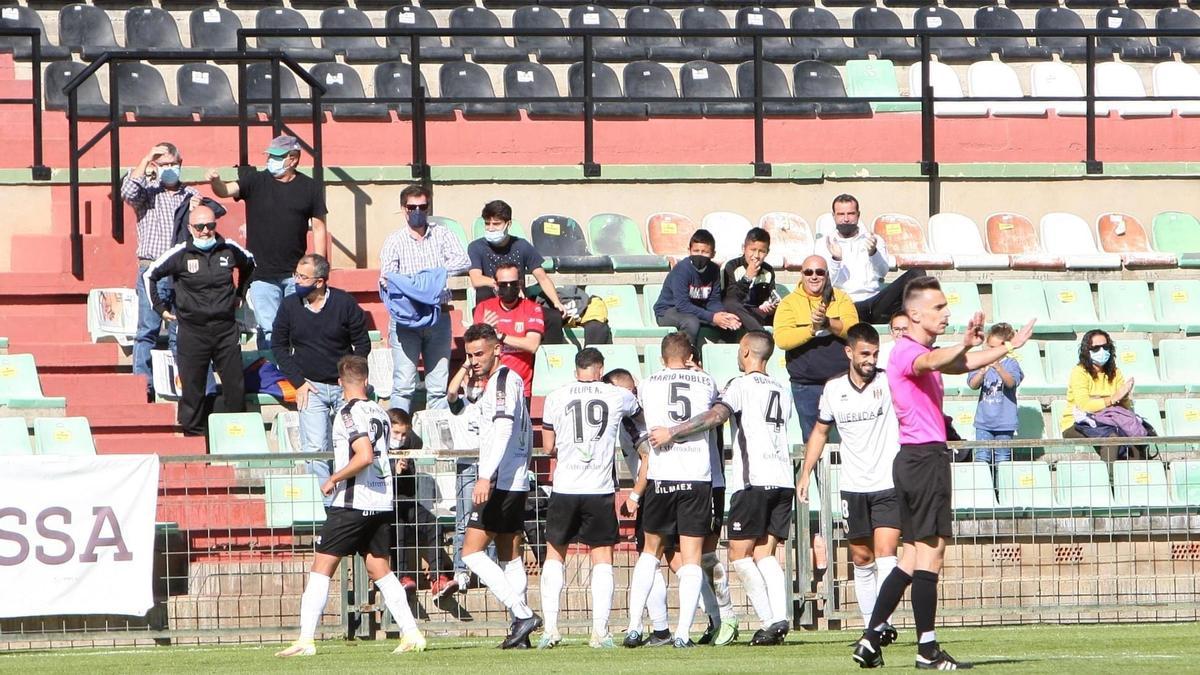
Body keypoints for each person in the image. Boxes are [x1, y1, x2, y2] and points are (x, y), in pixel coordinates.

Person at [852, 276, 1034, 670]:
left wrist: (1003, 347)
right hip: (923, 460)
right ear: (914, 313)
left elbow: (961, 363)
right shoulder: (905, 351)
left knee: (911, 556)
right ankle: (927, 649)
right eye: (938, 307)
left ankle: (870, 639)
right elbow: (934, 361)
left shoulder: (921, 350)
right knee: (931, 554)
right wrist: (969, 342)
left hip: (917, 459)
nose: (946, 313)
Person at [648, 330, 796, 647]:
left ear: (745, 352)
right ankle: (780, 619)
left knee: (740, 555)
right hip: (783, 478)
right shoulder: (783, 389)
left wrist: (673, 431)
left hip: (752, 480)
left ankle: (771, 620)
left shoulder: (739, 385)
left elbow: (716, 416)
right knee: (765, 554)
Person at [276, 355, 426, 657]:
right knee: (379, 567)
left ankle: (305, 639)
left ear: (340, 382)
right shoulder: (380, 412)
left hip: (353, 502)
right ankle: (412, 633)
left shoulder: (347, 412)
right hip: (381, 500)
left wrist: (334, 477)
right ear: (367, 381)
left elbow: (364, 455)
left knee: (321, 567)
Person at [797, 323, 901, 644]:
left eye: (875, 353)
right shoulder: (833, 390)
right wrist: (805, 474)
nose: (871, 359)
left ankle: (881, 625)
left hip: (888, 482)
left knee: (886, 555)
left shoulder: (889, 382)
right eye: (865, 354)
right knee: (861, 557)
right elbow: (820, 432)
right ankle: (872, 626)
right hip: (853, 485)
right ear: (849, 353)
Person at [538, 348, 643, 649]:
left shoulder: (556, 396)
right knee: (602, 559)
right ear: (600, 369)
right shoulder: (616, 395)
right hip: (599, 488)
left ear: (576, 371)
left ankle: (551, 629)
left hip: (565, 486)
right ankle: (600, 632)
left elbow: (547, 447)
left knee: (555, 556)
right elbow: (637, 413)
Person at [627, 332, 721, 649]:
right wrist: (697, 370)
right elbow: (714, 408)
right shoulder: (705, 382)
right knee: (691, 559)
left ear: (662, 356)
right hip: (696, 477)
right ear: (691, 355)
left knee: (650, 552)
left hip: (661, 476)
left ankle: (633, 627)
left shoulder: (647, 383)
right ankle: (682, 634)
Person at [458, 323, 542, 649]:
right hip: (514, 480)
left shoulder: (506, 379)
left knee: (471, 553)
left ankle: (521, 614)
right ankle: (520, 635)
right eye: (469, 355)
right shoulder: (496, 382)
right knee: (510, 555)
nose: (474, 360)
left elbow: (504, 429)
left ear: (497, 349)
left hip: (500, 481)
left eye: (479, 353)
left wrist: (484, 476)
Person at [208, 135, 328, 352]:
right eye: (270, 155)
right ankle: (273, 376)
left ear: (293, 159)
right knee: (270, 329)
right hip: (261, 274)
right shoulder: (255, 181)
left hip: (296, 275)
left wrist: (319, 269)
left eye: (277, 156)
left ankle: (297, 373)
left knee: (298, 327)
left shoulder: (310, 188)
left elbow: (319, 227)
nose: (271, 160)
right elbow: (225, 190)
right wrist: (215, 181)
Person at [143, 205, 254, 436]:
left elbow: (250, 265)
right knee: (193, 388)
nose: (205, 231)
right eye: (200, 227)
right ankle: (194, 437)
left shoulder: (229, 249)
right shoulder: (180, 253)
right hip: (193, 331)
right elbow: (149, 275)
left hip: (225, 329)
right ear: (190, 228)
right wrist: (160, 308)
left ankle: (237, 436)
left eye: (210, 226)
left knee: (235, 386)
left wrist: (240, 293)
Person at [123, 142, 208, 399]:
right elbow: (127, 191)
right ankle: (142, 386)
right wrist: (147, 155)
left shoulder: (190, 194)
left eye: (174, 164)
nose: (170, 169)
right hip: (152, 270)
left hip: (182, 273)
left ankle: (180, 386)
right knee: (147, 330)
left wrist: (198, 210)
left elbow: (208, 226)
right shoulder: (147, 193)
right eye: (164, 164)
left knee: (180, 332)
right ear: (154, 167)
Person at [379, 185, 471, 413]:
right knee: (403, 385)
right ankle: (398, 438)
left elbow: (463, 261)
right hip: (406, 318)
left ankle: (437, 437)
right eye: (412, 207)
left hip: (438, 314)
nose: (417, 211)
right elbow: (388, 277)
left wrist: (425, 279)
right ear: (403, 209)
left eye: (422, 206)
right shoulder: (394, 241)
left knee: (438, 387)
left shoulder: (442, 233)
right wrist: (428, 281)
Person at [271, 254, 370, 457]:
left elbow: (362, 343)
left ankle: (345, 488)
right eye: (296, 275)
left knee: (350, 448)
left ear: (319, 282)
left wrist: (350, 379)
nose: (296, 281)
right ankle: (322, 489)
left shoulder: (345, 303)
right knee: (315, 449)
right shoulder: (289, 305)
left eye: (302, 277)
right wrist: (298, 382)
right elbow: (278, 346)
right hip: (310, 388)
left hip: (344, 388)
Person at [604, 368, 674, 648]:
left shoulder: (632, 422)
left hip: (654, 490)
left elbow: (648, 459)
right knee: (677, 560)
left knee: (651, 558)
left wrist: (634, 496)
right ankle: (664, 629)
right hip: (680, 484)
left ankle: (649, 628)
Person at [773, 254, 860, 440]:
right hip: (806, 386)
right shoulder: (788, 303)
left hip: (842, 383)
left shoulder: (842, 298)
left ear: (827, 275)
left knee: (850, 440)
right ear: (801, 275)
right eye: (809, 272)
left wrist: (828, 323)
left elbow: (854, 330)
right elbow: (782, 339)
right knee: (813, 442)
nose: (814, 276)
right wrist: (812, 329)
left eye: (819, 272)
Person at [815, 194, 926, 325]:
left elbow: (882, 272)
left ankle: (916, 326)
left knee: (917, 274)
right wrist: (836, 259)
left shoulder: (874, 239)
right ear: (834, 216)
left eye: (850, 214)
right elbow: (827, 283)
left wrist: (873, 253)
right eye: (841, 214)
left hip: (876, 302)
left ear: (858, 215)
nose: (845, 219)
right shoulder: (824, 244)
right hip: (846, 305)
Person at [468, 200, 568, 343]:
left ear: (508, 224)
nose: (490, 228)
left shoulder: (522, 246)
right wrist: (504, 286)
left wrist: (556, 302)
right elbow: (476, 279)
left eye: (496, 224)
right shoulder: (476, 247)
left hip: (519, 305)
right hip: (491, 308)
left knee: (553, 317)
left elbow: (542, 278)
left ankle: (546, 360)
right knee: (484, 292)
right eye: (487, 223)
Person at [388, 408, 457, 597]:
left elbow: (417, 442)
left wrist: (403, 451)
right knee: (398, 527)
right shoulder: (380, 447)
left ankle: (438, 578)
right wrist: (394, 468)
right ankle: (402, 576)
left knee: (434, 525)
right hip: (389, 506)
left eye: (404, 434)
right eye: (396, 433)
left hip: (409, 503)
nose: (401, 438)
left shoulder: (407, 442)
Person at [654, 229, 742, 348]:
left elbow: (713, 301)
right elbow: (682, 305)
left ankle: (720, 355)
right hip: (668, 311)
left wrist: (722, 315)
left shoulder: (714, 270)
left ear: (713, 254)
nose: (700, 255)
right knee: (691, 322)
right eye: (696, 251)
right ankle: (688, 358)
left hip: (695, 310)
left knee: (730, 322)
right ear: (689, 251)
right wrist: (712, 317)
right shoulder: (682, 270)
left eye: (705, 252)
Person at [472, 262, 545, 403]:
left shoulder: (532, 308)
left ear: (520, 284)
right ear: (496, 284)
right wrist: (485, 329)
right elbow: (475, 348)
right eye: (504, 284)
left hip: (520, 388)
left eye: (513, 283)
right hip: (489, 387)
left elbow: (532, 345)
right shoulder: (484, 308)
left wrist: (500, 336)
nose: (509, 288)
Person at [1061, 330, 1136, 463]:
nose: (1101, 351)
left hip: (1109, 420)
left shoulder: (1115, 372)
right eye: (1095, 348)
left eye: (1105, 347)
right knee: (1111, 438)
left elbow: (1124, 405)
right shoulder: (1079, 372)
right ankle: (1110, 481)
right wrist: (1112, 399)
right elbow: (1085, 405)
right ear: (1086, 350)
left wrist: (1120, 397)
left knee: (1137, 436)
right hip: (1077, 424)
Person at [968, 323, 1023, 465]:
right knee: (981, 458)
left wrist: (998, 367)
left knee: (1002, 460)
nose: (991, 351)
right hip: (983, 422)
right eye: (989, 346)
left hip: (1005, 423)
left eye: (995, 348)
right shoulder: (981, 361)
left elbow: (1011, 383)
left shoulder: (1011, 364)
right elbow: (973, 385)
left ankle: (1001, 487)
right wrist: (981, 372)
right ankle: (985, 486)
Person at [721, 228, 781, 333]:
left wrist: (769, 305)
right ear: (744, 248)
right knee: (729, 303)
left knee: (784, 309)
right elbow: (731, 298)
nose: (756, 256)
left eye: (762, 251)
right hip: (735, 311)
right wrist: (747, 277)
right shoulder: (731, 266)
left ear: (767, 252)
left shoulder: (768, 271)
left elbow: (770, 296)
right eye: (753, 250)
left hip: (756, 313)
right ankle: (761, 334)